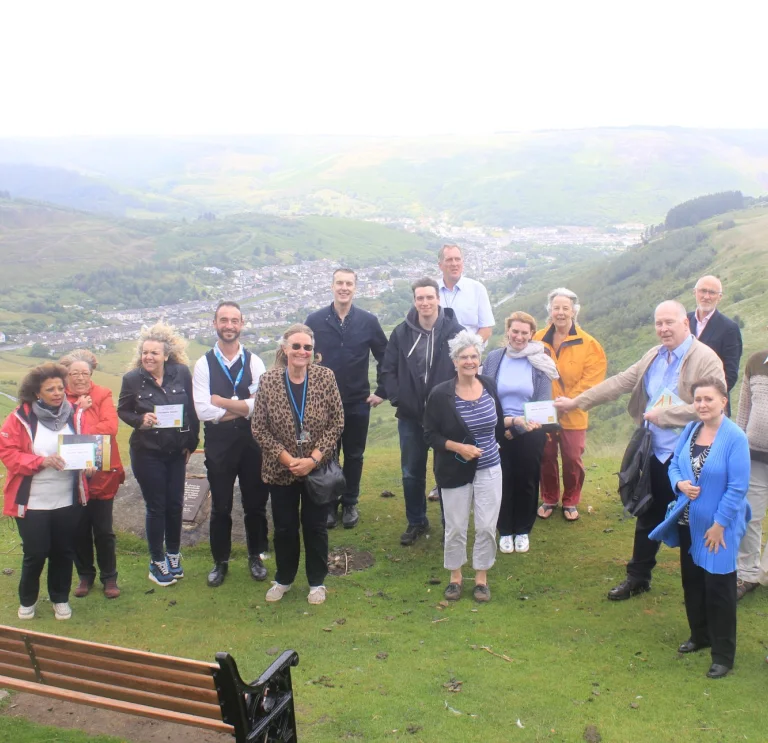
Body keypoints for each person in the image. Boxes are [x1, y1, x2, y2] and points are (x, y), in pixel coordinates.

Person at [555, 301, 726, 600]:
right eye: (659, 323)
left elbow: (712, 406)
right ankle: (638, 577)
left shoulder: (706, 359)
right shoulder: (654, 356)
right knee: (647, 512)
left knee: (692, 519)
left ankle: (700, 585)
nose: (663, 328)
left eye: (669, 322)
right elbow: (620, 382)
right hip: (653, 451)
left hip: (687, 455)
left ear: (685, 323)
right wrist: (577, 402)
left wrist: (666, 416)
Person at [649, 377, 750, 679]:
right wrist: (679, 483)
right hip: (687, 522)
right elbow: (674, 466)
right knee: (692, 581)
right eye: (698, 400)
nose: (703, 405)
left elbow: (737, 488)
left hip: (717, 527)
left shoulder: (734, 438)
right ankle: (700, 635)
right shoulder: (692, 430)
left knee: (719, 588)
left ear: (723, 401)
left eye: (709, 399)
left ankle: (723, 654)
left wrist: (719, 525)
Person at [251, 324, 344, 605]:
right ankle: (284, 578)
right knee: (284, 528)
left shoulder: (325, 377)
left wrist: (313, 459)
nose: (302, 352)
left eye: (307, 347)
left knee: (315, 527)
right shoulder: (268, 381)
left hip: (317, 469)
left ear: (313, 351)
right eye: (296, 346)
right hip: (281, 470)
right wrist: (287, 459)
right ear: (285, 349)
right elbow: (259, 427)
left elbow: (337, 422)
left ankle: (317, 582)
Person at [0, 364, 88, 621]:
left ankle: (60, 598)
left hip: (67, 498)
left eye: (61, 387)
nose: (58, 393)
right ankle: (27, 600)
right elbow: (8, 453)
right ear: (37, 393)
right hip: (32, 501)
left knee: (63, 552)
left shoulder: (75, 414)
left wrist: (89, 465)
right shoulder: (19, 418)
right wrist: (40, 462)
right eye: (50, 389)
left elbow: (85, 447)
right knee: (36, 553)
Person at [381, 277, 464, 546]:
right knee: (411, 472)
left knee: (446, 472)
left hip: (444, 418)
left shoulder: (455, 332)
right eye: (420, 298)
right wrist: (398, 399)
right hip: (411, 417)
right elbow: (387, 369)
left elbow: (467, 368)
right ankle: (416, 521)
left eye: (429, 297)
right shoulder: (401, 333)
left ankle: (449, 525)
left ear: (438, 298)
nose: (425, 302)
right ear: (414, 300)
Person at [423, 330, 505, 602]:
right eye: (463, 357)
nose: (469, 361)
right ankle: (455, 577)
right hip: (454, 469)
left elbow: (498, 423)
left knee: (485, 525)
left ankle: (481, 578)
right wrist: (459, 447)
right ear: (454, 361)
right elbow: (429, 434)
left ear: (479, 359)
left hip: (490, 467)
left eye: (474, 356)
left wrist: (520, 424)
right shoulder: (440, 394)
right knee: (456, 526)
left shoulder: (489, 385)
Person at [193, 301, 270, 588]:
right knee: (221, 506)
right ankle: (220, 562)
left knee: (256, 504)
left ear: (242, 324)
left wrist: (223, 403)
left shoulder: (254, 361)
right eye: (223, 320)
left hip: (252, 443)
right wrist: (241, 407)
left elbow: (259, 406)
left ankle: (256, 557)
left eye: (234, 320)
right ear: (215, 323)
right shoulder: (203, 364)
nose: (229, 325)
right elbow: (203, 410)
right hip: (219, 445)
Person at [305, 268, 388, 530]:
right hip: (322, 404)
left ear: (355, 288)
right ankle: (329, 504)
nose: (344, 288)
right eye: (339, 283)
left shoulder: (368, 321)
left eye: (349, 283)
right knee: (326, 454)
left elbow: (385, 357)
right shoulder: (315, 321)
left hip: (356, 401)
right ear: (332, 286)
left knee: (354, 455)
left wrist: (382, 391)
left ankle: (350, 502)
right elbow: (301, 358)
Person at [118, 323, 199, 587]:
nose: (149, 357)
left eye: (154, 353)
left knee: (175, 505)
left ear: (167, 355)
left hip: (176, 451)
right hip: (147, 452)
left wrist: (191, 441)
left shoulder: (181, 373)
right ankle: (156, 561)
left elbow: (193, 410)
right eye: (145, 352)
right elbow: (123, 410)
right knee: (157, 506)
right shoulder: (132, 379)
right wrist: (140, 419)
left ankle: (174, 554)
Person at [483, 311, 559, 554]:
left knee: (527, 479)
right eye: (515, 331)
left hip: (530, 431)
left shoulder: (540, 360)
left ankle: (523, 530)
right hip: (497, 428)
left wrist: (514, 430)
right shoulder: (494, 358)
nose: (519, 336)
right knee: (501, 480)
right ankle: (504, 529)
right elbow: (486, 396)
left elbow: (543, 401)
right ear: (508, 331)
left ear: (531, 334)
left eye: (524, 333)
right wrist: (503, 426)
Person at [534, 288, 607, 521]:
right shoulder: (537, 339)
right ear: (550, 310)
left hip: (574, 410)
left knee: (572, 456)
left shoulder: (589, 344)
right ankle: (549, 497)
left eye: (566, 308)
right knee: (545, 454)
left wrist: (570, 401)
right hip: (544, 410)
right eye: (556, 307)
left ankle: (571, 500)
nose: (561, 312)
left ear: (574, 311)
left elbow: (593, 379)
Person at [60, 349, 125, 599]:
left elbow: (110, 427)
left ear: (91, 374)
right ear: (67, 375)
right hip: (73, 475)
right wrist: (77, 410)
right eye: (74, 373)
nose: (79, 378)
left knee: (104, 530)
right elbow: (58, 431)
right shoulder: (60, 397)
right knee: (78, 529)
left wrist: (79, 421)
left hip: (101, 474)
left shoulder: (102, 394)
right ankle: (85, 575)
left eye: (84, 373)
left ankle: (110, 577)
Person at [734, 344, 768, 599]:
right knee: (750, 515)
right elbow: (744, 408)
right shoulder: (756, 362)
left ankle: (765, 573)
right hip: (754, 455)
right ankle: (747, 574)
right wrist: (738, 445)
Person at [687, 275, 742, 415]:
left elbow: (730, 373)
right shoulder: (684, 321)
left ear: (720, 297)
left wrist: (708, 399)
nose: (706, 296)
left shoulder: (729, 328)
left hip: (712, 408)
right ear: (695, 292)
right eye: (702, 291)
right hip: (682, 402)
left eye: (712, 292)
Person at [437, 244, 495, 342]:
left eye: (457, 259)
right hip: (437, 355)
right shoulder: (432, 290)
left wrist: (470, 348)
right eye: (449, 260)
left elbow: (486, 328)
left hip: (467, 355)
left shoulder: (477, 289)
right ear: (440, 265)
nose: (454, 264)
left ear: (462, 262)